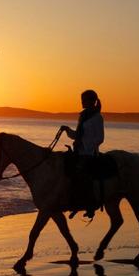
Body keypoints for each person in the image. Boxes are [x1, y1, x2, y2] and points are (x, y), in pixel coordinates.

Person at [59, 89, 104, 219]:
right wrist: (67, 130)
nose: (82, 102)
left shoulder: (97, 117)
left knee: (82, 174)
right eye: (82, 100)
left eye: (84, 100)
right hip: (79, 151)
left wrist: (84, 144)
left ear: (91, 101)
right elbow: (77, 136)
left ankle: (90, 204)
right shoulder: (83, 116)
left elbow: (100, 138)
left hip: (89, 153)